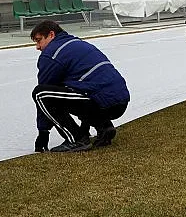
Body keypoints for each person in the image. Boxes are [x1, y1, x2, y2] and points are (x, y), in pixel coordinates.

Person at [31, 20, 130, 153]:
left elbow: (45, 91)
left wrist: (43, 131)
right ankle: (104, 126)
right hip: (120, 101)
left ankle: (76, 139)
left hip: (102, 101)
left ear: (51, 35)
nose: (38, 47)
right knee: (74, 88)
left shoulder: (52, 54)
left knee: (40, 94)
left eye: (39, 40)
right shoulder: (78, 43)